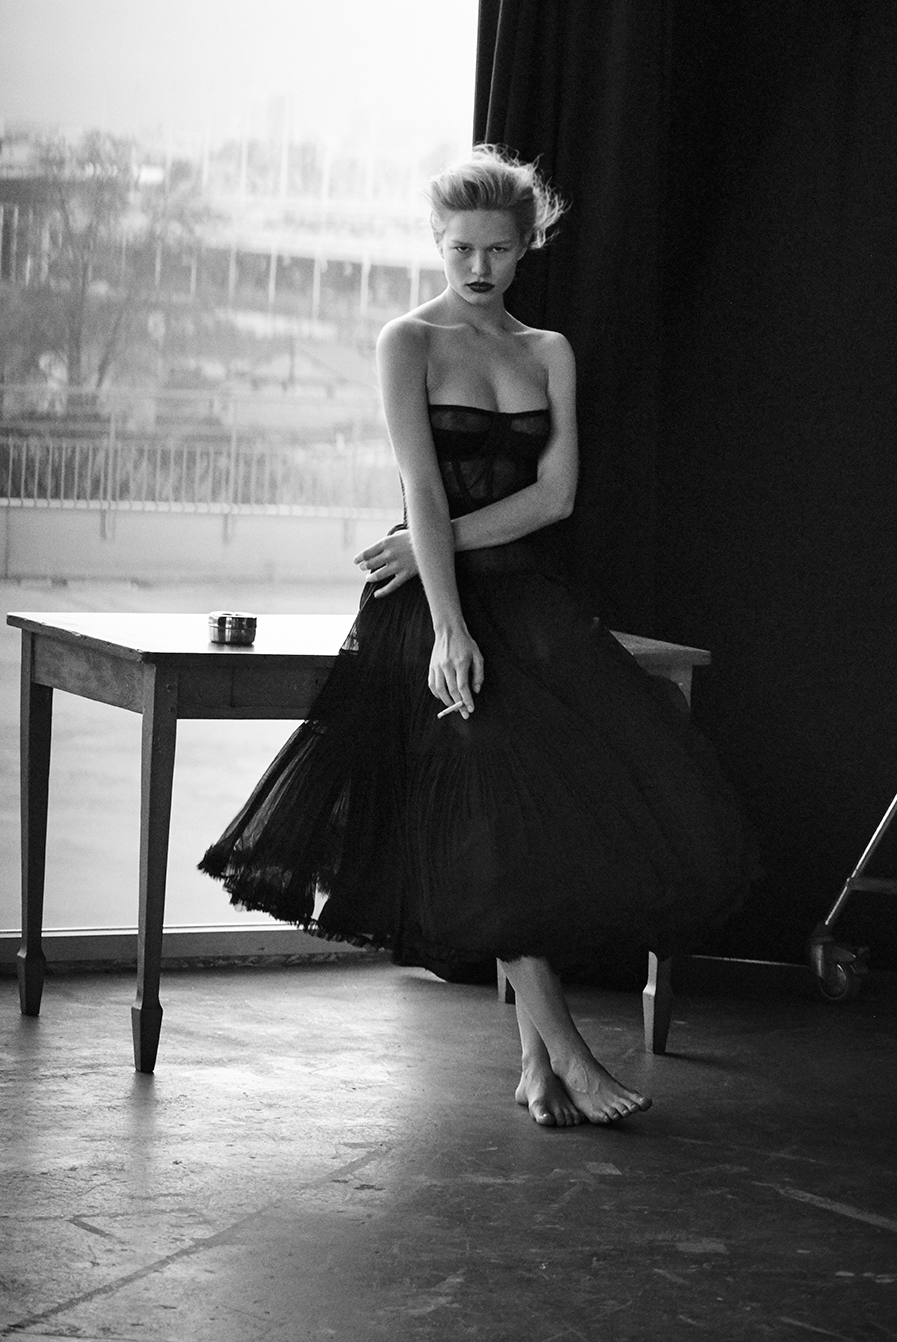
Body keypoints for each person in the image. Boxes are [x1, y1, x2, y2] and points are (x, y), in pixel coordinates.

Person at [199, 146, 758, 1128]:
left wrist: (435, 548)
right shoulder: (406, 340)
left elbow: (555, 497)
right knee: (490, 814)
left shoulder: (548, 351)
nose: (477, 266)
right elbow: (421, 487)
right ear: (436, 241)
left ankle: (539, 1067)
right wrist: (444, 619)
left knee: (596, 796)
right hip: (429, 606)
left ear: (523, 246)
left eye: (497, 249)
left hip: (523, 595)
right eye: (460, 247)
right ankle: (568, 1054)